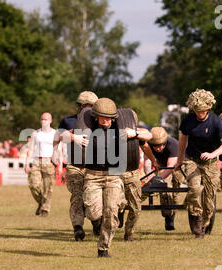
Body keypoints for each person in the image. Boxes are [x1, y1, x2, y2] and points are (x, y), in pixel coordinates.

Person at [82, 98, 141, 257]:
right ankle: (96, 222)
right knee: (93, 213)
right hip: (92, 176)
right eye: (103, 117)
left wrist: (134, 133)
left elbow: (148, 134)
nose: (106, 121)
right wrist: (74, 138)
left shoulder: (120, 130)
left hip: (113, 176)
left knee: (111, 213)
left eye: (109, 117)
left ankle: (103, 248)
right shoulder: (88, 129)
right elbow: (65, 134)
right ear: (96, 117)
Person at [174, 89, 222, 239]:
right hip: (192, 159)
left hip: (210, 163)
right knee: (194, 190)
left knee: (209, 198)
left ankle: (206, 221)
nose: (200, 114)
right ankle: (197, 222)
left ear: (208, 108)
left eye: (202, 111)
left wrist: (213, 154)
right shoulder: (188, 119)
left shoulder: (216, 122)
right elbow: (182, 140)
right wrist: (180, 160)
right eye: (197, 111)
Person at [54, 91, 98, 241]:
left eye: (92, 106)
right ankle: (77, 227)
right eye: (87, 106)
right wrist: (74, 137)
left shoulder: (102, 120)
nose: (89, 109)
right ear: (81, 106)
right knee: (77, 197)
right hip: (76, 166)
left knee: (93, 198)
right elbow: (57, 136)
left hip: (96, 167)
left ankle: (96, 220)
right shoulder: (70, 121)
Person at [140, 127, 185, 232]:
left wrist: (157, 179)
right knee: (164, 188)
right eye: (155, 146)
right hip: (162, 166)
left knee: (174, 193)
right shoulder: (148, 145)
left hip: (177, 166)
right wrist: (149, 177)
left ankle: (172, 214)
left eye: (160, 145)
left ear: (165, 142)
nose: (158, 148)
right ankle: (168, 217)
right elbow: (147, 161)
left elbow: (171, 167)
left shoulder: (173, 144)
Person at [118, 112, 152, 242]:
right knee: (118, 202)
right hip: (115, 173)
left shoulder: (136, 132)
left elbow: (149, 136)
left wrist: (135, 133)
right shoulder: (112, 129)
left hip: (133, 173)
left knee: (136, 207)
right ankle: (119, 212)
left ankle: (129, 233)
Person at [25, 112, 57, 217]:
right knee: (33, 185)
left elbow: (58, 150)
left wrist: (59, 164)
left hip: (49, 161)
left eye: (46, 119)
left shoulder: (55, 133)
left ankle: (45, 209)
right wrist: (26, 163)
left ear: (51, 121)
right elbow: (30, 149)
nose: (44, 121)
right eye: (42, 119)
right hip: (37, 161)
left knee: (48, 188)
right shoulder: (36, 133)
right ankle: (41, 202)